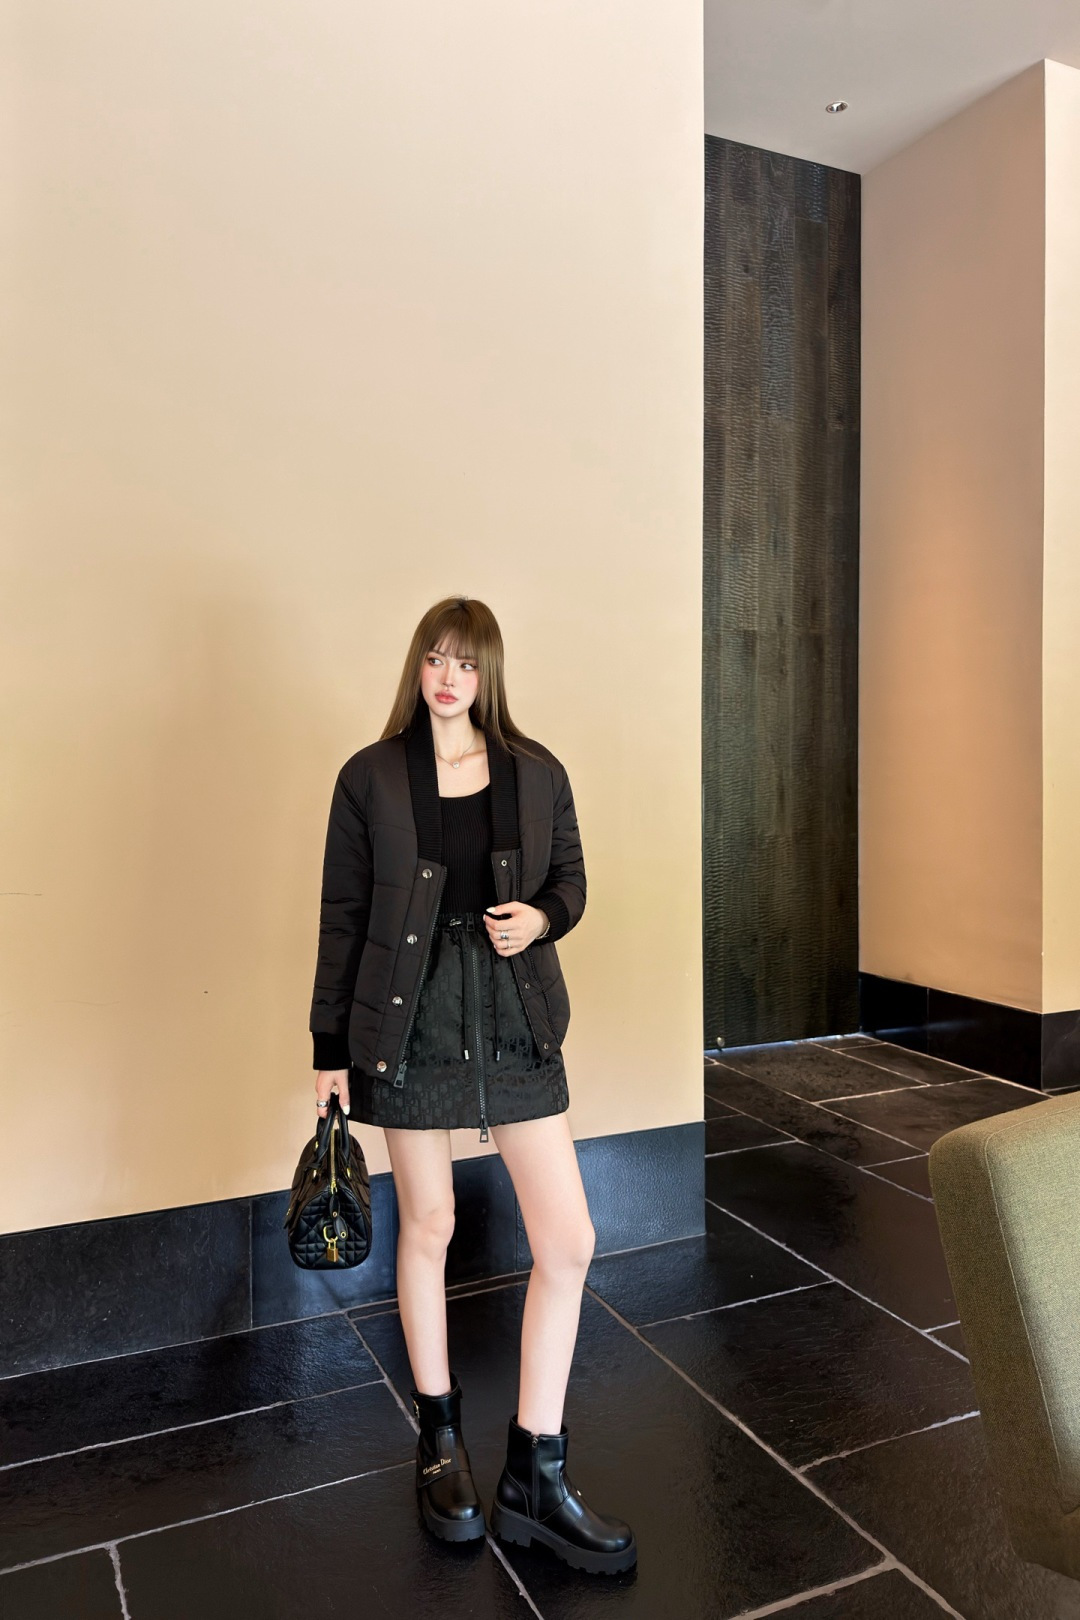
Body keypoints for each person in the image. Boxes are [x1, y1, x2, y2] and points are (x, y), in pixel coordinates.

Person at [307, 594, 637, 1575]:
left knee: (568, 1240)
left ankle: (536, 1473)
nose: (449, 677)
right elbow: (342, 915)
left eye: (467, 662)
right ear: (418, 667)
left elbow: (571, 882)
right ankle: (440, 1442)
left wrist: (541, 919)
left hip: (511, 1012)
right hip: (406, 1018)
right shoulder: (369, 777)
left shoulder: (537, 771)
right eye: (436, 658)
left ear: (488, 674)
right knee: (431, 1223)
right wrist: (329, 1046)